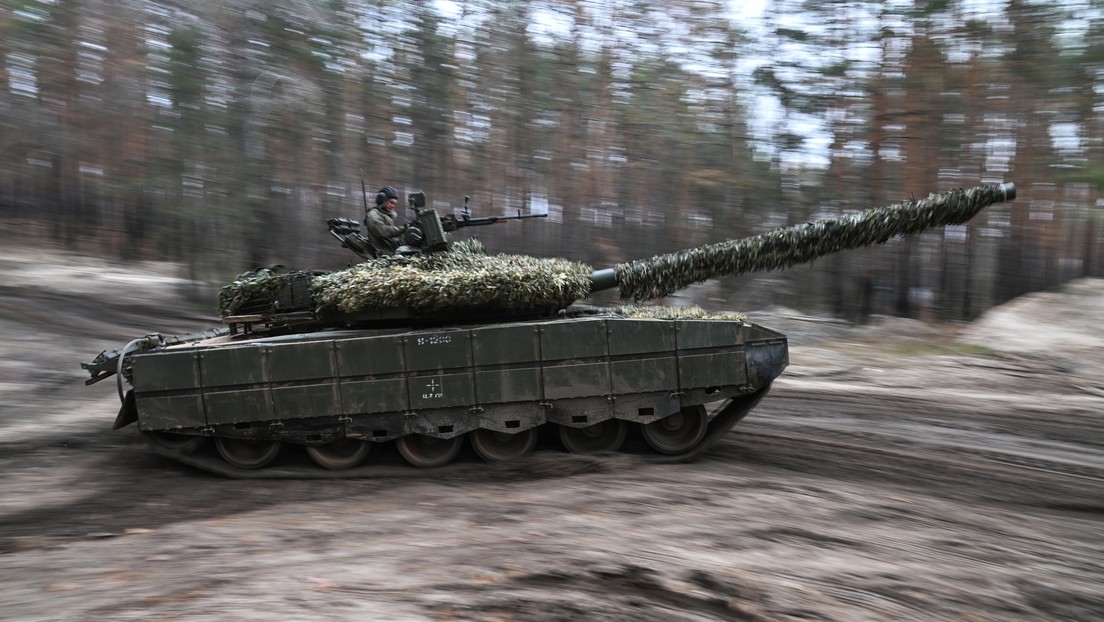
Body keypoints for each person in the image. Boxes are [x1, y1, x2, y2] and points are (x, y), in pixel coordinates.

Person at [365, 185, 405, 253]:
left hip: (393, 250)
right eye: (391, 202)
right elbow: (382, 231)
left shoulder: (388, 215)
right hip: (383, 252)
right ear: (382, 200)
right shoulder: (373, 214)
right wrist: (402, 229)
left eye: (394, 204)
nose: (393, 206)